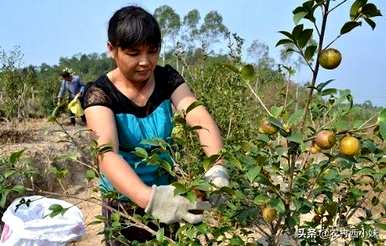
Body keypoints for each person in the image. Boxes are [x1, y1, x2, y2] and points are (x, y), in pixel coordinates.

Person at [82, 5, 229, 244]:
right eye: (133, 53)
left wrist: (217, 165)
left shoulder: (166, 79)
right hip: (125, 202)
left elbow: (198, 116)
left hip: (172, 196)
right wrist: (150, 199)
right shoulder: (100, 94)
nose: (145, 62)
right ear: (112, 49)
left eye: (152, 51)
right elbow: (107, 152)